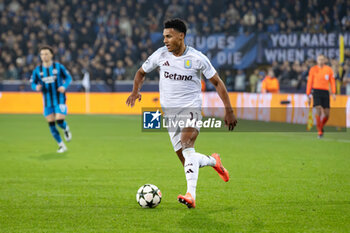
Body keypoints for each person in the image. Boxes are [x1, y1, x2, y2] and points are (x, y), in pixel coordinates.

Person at [126, 19, 237, 208]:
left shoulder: (197, 58)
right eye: (164, 37)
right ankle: (213, 161)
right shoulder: (160, 55)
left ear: (181, 36)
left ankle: (190, 196)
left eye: (169, 36)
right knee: (187, 159)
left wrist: (229, 110)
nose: (165, 41)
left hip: (191, 109)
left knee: (187, 145)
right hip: (170, 115)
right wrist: (136, 90)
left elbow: (217, 82)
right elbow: (140, 72)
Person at [30, 45, 72, 153]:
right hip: (47, 102)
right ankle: (61, 145)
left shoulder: (58, 67)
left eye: (46, 54)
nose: (44, 56)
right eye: (42, 54)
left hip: (60, 99)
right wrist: (36, 87)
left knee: (59, 120)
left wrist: (64, 86)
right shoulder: (37, 70)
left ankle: (66, 128)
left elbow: (68, 77)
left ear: (51, 55)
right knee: (51, 125)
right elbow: (32, 83)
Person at [306, 54, 336, 138]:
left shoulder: (328, 69)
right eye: (319, 59)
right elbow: (310, 82)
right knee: (318, 109)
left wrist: (333, 92)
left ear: (325, 60)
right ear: (317, 60)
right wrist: (308, 94)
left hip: (325, 92)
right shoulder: (313, 69)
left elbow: (332, 81)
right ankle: (319, 132)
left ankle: (321, 126)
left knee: (327, 114)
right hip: (316, 91)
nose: (321, 61)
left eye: (322, 59)